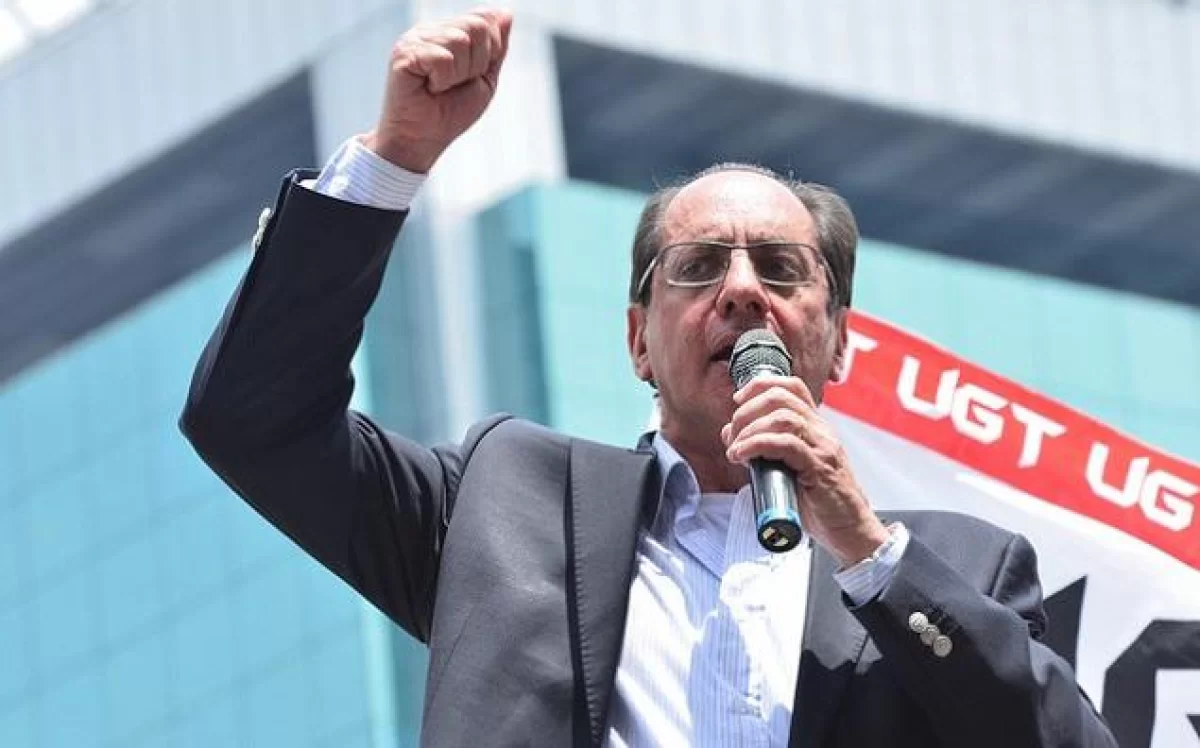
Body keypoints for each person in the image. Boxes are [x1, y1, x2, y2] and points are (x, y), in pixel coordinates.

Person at [180, 8, 1117, 747]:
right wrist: (394, 160)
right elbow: (251, 418)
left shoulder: (960, 565)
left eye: (782, 269)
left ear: (837, 345)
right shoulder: (503, 506)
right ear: (638, 341)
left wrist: (869, 553)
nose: (742, 291)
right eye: (699, 267)